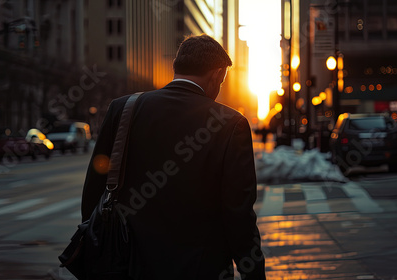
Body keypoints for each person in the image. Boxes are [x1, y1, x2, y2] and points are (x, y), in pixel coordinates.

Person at [81, 34, 266, 280]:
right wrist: (253, 273)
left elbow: (94, 190)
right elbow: (238, 214)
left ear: (176, 67)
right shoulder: (231, 124)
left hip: (128, 265)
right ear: (218, 74)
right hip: (201, 268)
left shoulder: (123, 109)